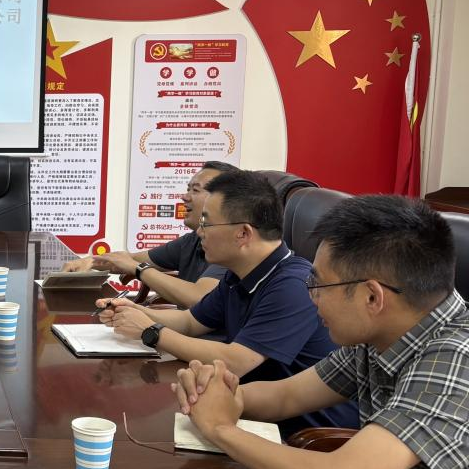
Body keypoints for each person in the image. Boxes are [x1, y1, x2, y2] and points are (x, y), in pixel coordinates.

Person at [172, 195, 468, 469]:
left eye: (319, 284)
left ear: (372, 297)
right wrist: (220, 391)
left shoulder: (456, 360)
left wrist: (221, 428)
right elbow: (286, 396)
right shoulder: (382, 332)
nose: (311, 296)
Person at [98, 169, 357, 431]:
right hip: (247, 412)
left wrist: (151, 331)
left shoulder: (293, 285)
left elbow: (236, 361)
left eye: (207, 223)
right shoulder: (239, 274)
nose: (199, 232)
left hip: (304, 434)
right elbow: (190, 321)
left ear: (243, 233)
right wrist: (133, 311)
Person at [62, 161, 236, 308]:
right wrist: (89, 261)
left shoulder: (231, 246)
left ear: (222, 200)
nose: (185, 197)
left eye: (195, 190)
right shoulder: (192, 240)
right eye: (187, 189)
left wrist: (138, 270)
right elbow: (129, 260)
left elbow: (200, 297)